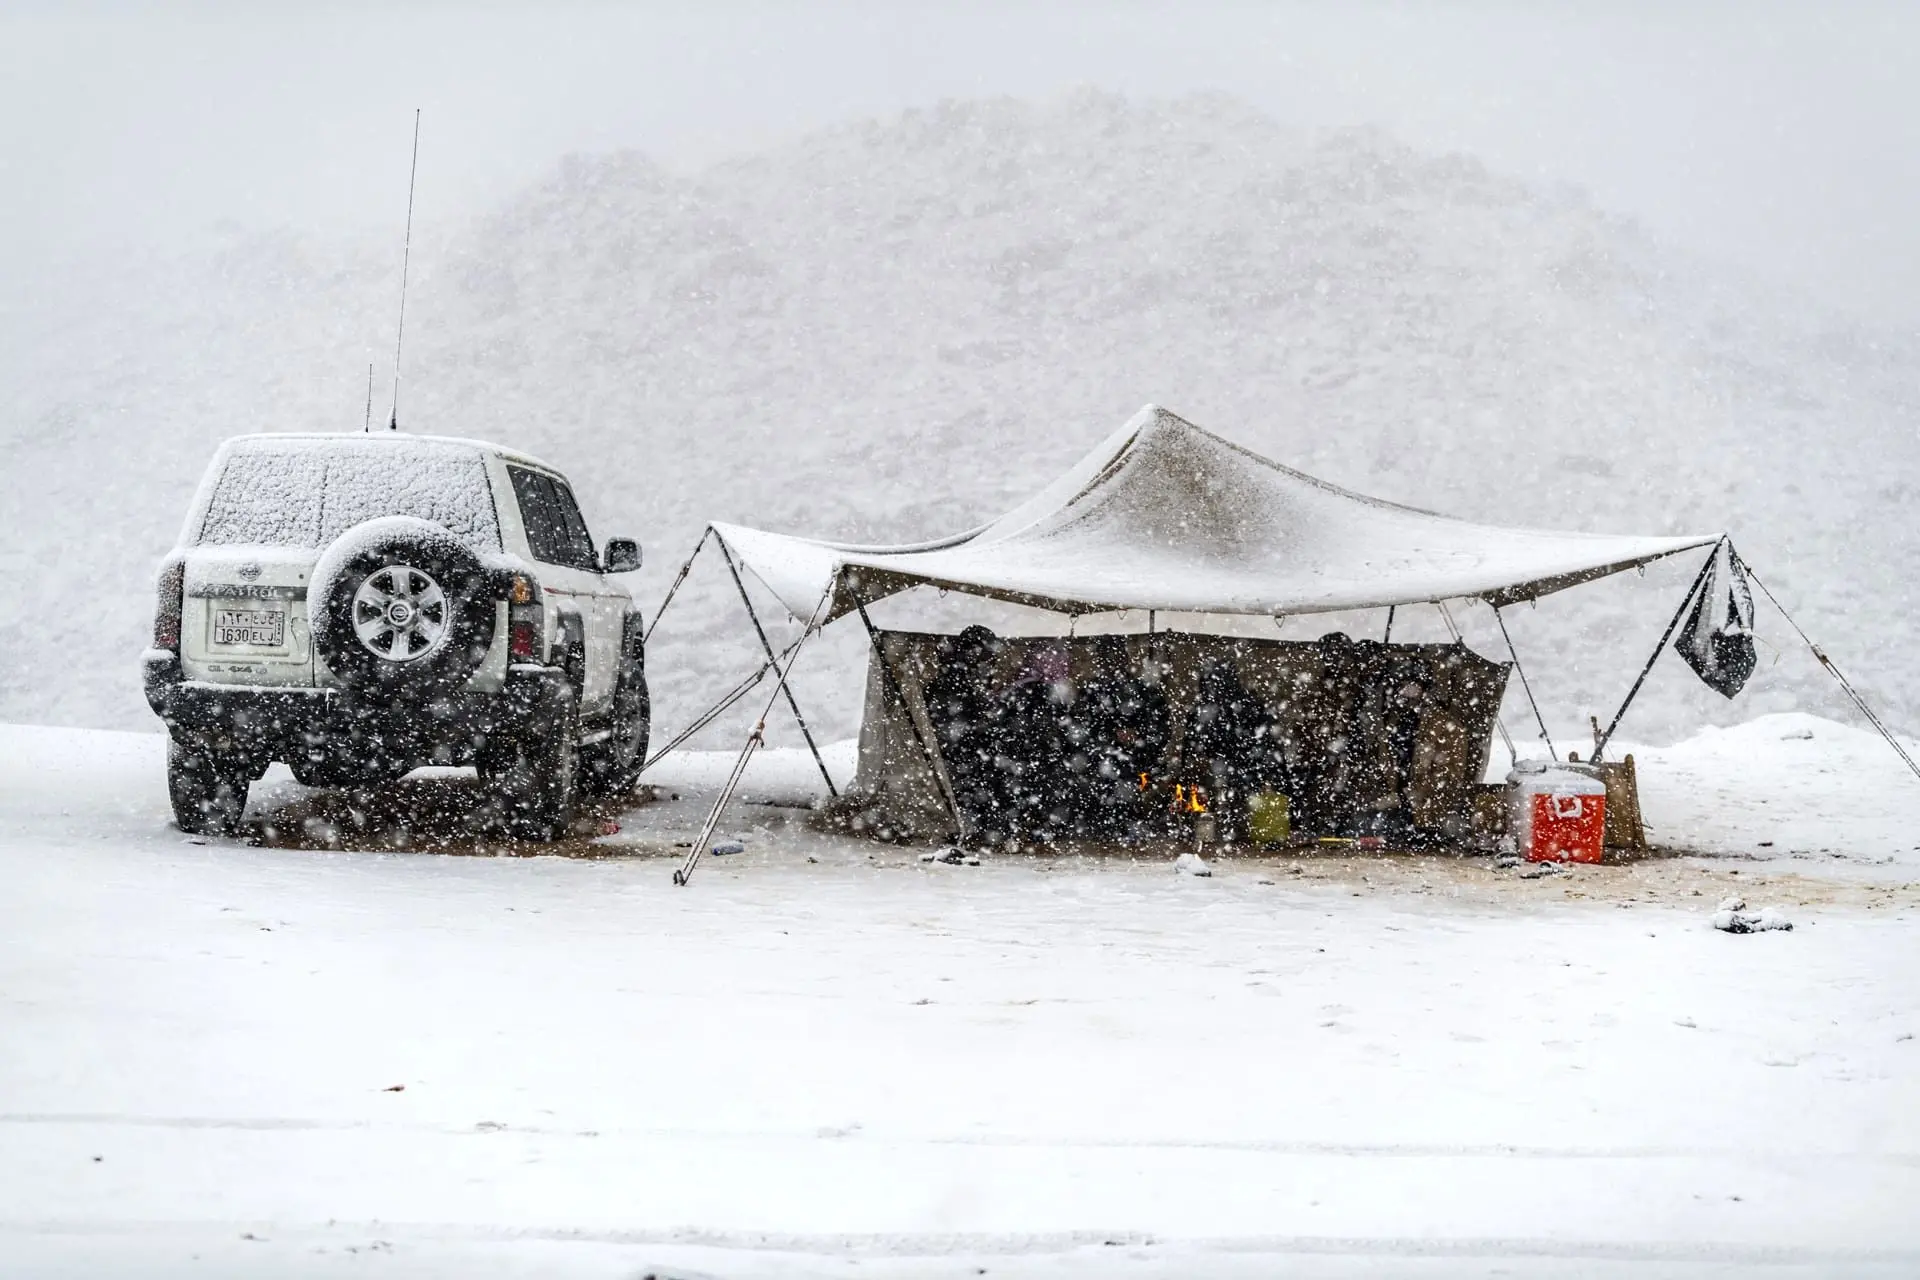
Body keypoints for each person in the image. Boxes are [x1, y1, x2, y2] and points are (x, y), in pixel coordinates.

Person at [1072, 635, 1170, 839]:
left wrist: (1138, 735)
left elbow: (1158, 725)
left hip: (1131, 767)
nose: (1111, 662)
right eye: (1106, 657)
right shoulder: (1092, 693)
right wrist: (1109, 736)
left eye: (1116, 656)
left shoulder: (1140, 691)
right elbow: (1080, 729)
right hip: (1100, 767)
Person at [925, 625, 1005, 840]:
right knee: (964, 791)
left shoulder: (962, 673)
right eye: (988, 654)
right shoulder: (958, 678)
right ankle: (966, 830)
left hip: (962, 747)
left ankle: (970, 829)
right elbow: (959, 714)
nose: (991, 660)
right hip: (959, 748)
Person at [991, 642, 1076, 840]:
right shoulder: (1044, 692)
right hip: (1034, 756)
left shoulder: (1022, 690)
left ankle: (1027, 827)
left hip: (1029, 757)